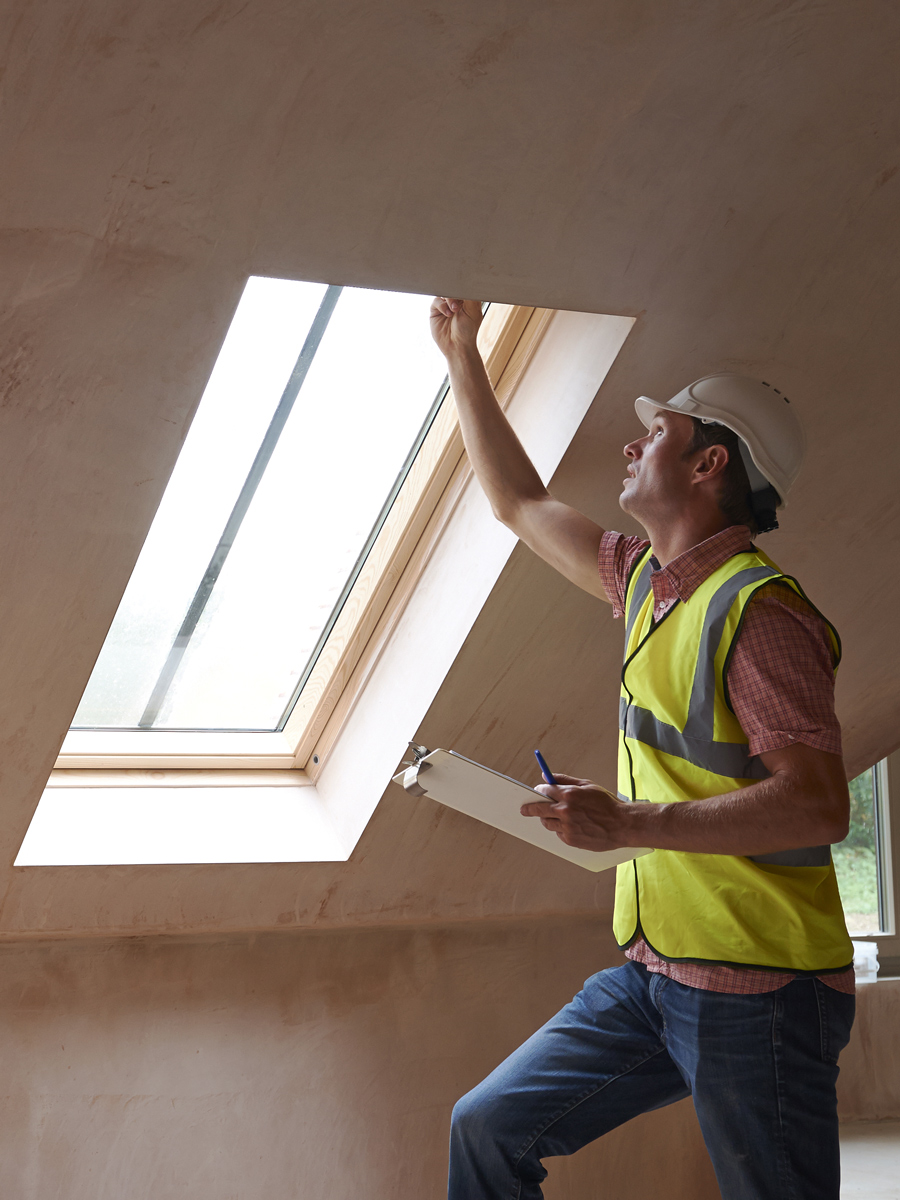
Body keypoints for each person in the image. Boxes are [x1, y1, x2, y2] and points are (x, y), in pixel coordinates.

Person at [429, 297, 856, 1200]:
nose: (629, 446)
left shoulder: (761, 610)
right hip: (655, 975)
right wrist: (462, 352)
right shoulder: (647, 584)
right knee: (487, 1128)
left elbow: (819, 803)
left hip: (762, 991)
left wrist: (628, 820)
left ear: (709, 463)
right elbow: (520, 500)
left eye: (652, 432)